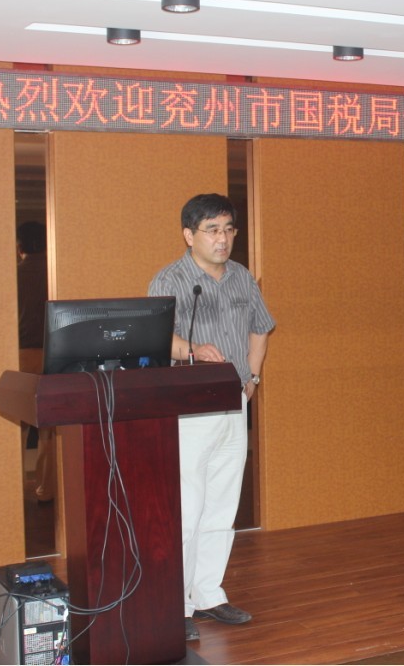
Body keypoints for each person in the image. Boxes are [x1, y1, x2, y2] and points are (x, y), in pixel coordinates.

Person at [148, 193, 276, 643]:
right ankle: (176, 604)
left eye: (228, 229)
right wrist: (193, 349)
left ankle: (207, 593)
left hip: (233, 401)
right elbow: (157, 336)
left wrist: (252, 377)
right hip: (189, 406)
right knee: (188, 507)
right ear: (189, 235)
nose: (223, 239)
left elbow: (261, 326)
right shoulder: (170, 279)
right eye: (212, 230)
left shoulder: (241, 277)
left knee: (223, 503)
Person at [16, 220, 54, 503]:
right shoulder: (55, 273)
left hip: (18, 355)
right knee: (49, 430)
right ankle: (46, 490)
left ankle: (13, 492)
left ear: (19, 246)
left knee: (16, 428)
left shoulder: (14, 275)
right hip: (51, 355)